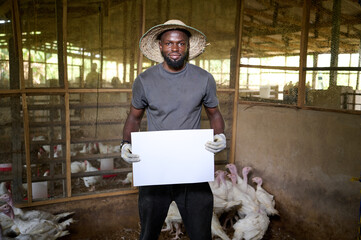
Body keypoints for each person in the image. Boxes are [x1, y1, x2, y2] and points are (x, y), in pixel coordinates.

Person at [120, 19, 227, 240]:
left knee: (201, 234)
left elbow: (214, 114)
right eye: (169, 43)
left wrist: (220, 136)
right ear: (160, 46)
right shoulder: (144, 80)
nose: (175, 49)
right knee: (148, 234)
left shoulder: (204, 79)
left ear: (187, 46)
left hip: (192, 168)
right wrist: (125, 144)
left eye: (180, 44)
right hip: (155, 168)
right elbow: (134, 117)